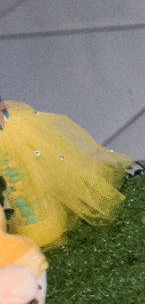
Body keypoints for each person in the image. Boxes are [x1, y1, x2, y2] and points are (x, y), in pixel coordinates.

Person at [0, 94, 131, 249]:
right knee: (17, 184)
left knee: (26, 182)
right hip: (7, 130)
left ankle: (40, 224)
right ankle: (34, 224)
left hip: (7, 128)